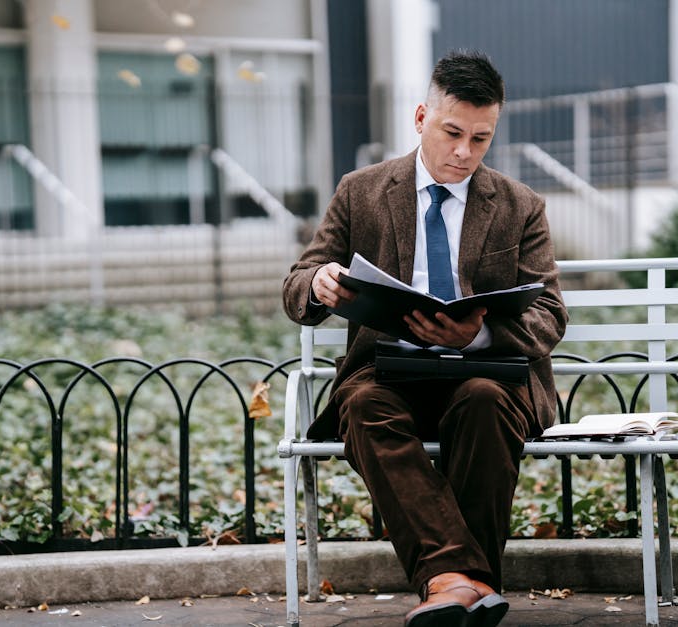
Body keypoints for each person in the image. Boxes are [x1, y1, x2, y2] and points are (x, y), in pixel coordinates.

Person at [282, 50, 567, 627]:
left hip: (488, 376)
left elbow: (550, 315)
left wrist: (482, 332)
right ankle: (468, 582)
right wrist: (320, 282)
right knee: (360, 405)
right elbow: (295, 288)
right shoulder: (361, 192)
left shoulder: (519, 206)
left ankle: (448, 584)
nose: (464, 152)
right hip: (389, 373)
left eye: (481, 139)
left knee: (484, 401)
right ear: (420, 118)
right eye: (452, 132)